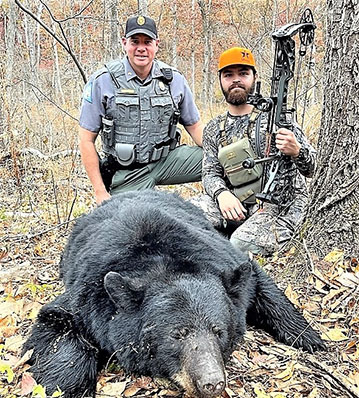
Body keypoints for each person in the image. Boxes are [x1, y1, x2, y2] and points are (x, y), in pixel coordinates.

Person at [192, 47, 316, 256]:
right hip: (238, 202)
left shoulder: (277, 119)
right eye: (229, 75)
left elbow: (313, 168)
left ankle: (231, 240)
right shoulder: (214, 128)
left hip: (279, 206)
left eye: (243, 73)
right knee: (185, 218)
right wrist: (222, 195)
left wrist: (297, 150)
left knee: (239, 246)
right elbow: (210, 173)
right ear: (220, 80)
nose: (236, 80)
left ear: (254, 77)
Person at [79, 15, 203, 205]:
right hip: (128, 172)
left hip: (167, 161)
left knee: (228, 161)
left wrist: (219, 152)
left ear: (156, 44)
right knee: (129, 225)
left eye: (147, 42)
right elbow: (86, 140)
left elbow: (194, 126)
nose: (141, 48)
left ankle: (234, 213)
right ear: (124, 43)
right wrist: (99, 192)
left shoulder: (173, 79)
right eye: (135, 41)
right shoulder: (103, 80)